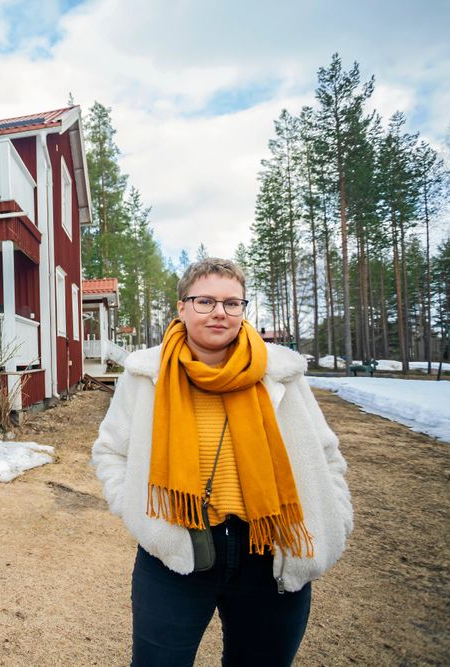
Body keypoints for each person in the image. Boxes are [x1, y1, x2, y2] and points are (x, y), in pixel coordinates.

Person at [92, 258, 352, 666]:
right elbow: (111, 451)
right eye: (205, 300)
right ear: (181, 307)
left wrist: (336, 515)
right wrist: (137, 513)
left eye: (232, 303)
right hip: (178, 550)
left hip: (271, 552)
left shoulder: (280, 372)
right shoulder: (146, 375)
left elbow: (325, 452)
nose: (219, 312)